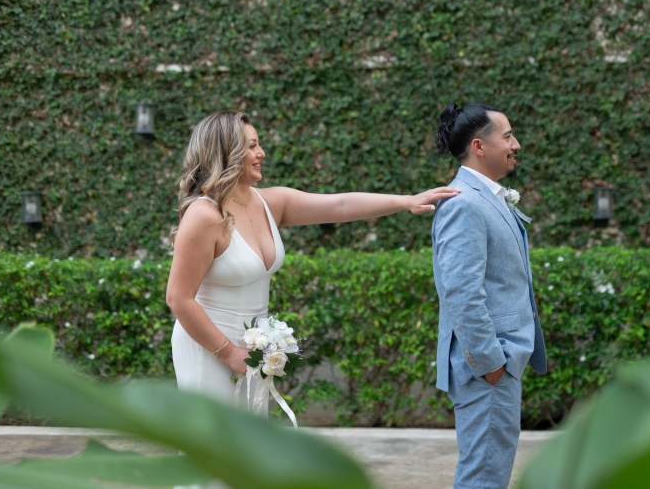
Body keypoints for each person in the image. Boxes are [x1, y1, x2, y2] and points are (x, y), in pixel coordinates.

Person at [165, 110, 459, 414]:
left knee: (246, 448)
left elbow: (340, 205)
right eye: (251, 146)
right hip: (207, 345)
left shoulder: (270, 202)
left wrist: (406, 201)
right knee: (211, 447)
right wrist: (228, 352)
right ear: (226, 152)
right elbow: (178, 298)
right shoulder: (204, 215)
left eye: (258, 144)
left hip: (253, 345)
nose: (261, 153)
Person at [431, 103, 547, 489]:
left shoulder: (486, 197)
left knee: (490, 473)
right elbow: (461, 293)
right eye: (508, 136)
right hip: (489, 368)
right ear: (479, 146)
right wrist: (491, 362)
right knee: (483, 478)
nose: (517, 144)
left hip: (499, 364)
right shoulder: (464, 203)